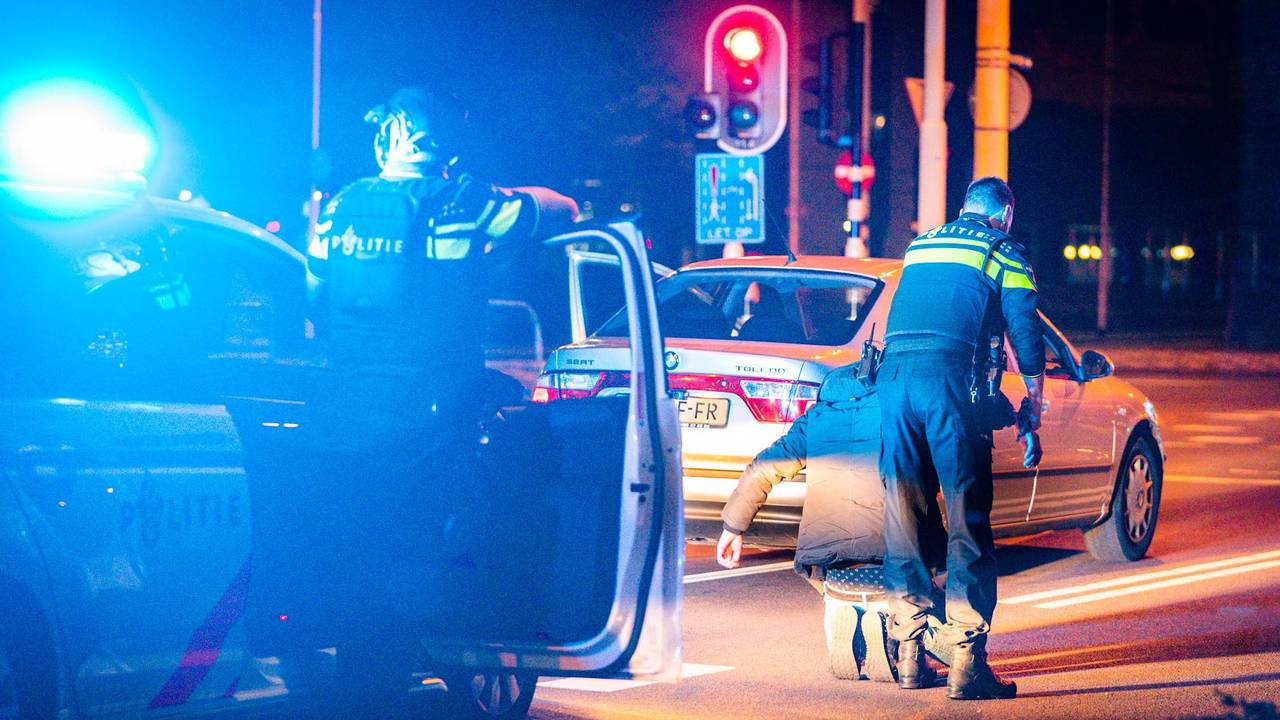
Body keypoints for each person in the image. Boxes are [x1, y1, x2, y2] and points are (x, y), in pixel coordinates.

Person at [283, 87, 578, 717]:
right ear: (442, 141)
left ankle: (358, 667)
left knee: (356, 550)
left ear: (386, 138)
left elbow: (313, 301)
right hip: (424, 421)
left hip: (338, 418)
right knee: (419, 555)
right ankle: (403, 672)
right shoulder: (463, 202)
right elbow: (562, 208)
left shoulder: (338, 208)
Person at [877, 176, 1043, 700]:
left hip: (894, 384)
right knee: (967, 522)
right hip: (949, 388)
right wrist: (1033, 399)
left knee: (904, 516)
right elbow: (1024, 330)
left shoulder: (920, 244)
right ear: (1006, 214)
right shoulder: (1005, 250)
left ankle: (908, 655)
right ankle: (967, 664)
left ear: (963, 208)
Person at [714, 363, 951, 683]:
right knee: (938, 572)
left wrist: (733, 528)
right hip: (895, 558)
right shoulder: (901, 415)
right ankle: (901, 640)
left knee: (841, 579)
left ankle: (847, 617)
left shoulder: (817, 419)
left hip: (827, 564)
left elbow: (763, 467)